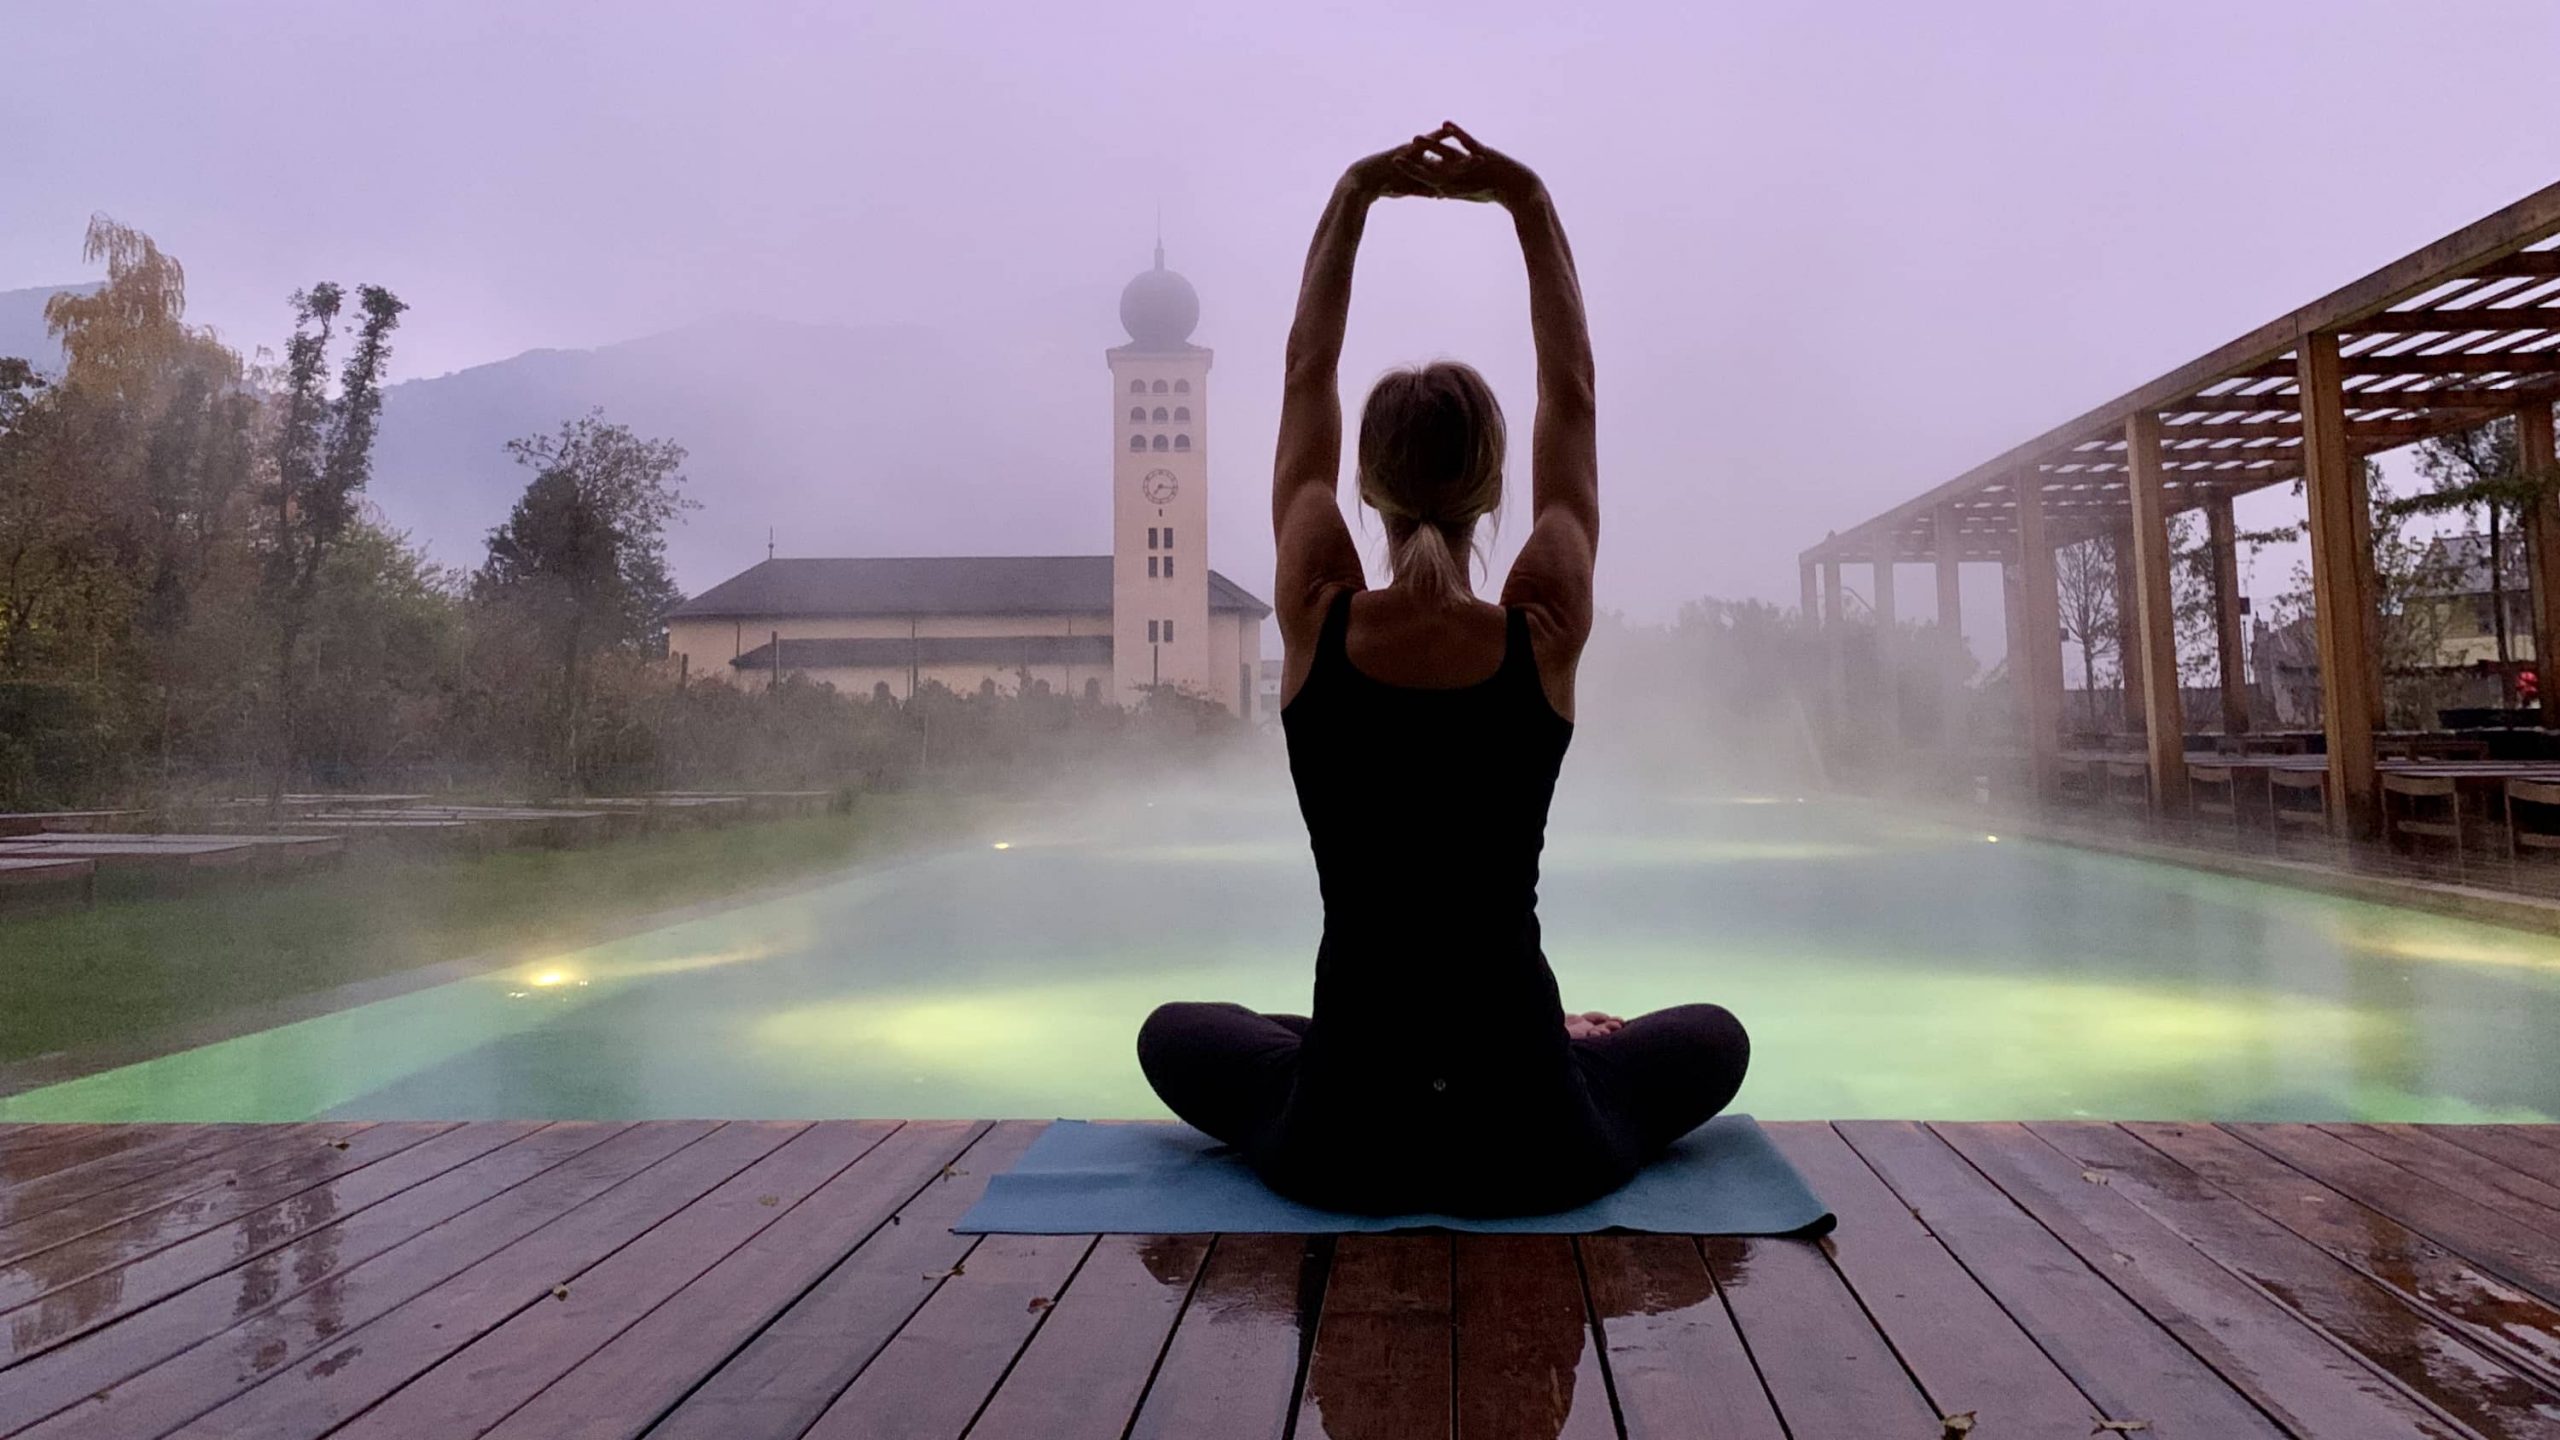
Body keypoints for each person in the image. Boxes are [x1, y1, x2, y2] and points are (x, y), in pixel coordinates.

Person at [1136, 124, 1750, 1216]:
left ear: (1366, 487)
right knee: (1715, 1038)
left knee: (1175, 1034)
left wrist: (1354, 194)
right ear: (1493, 485)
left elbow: (1305, 375)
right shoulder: (1542, 628)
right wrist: (1526, 201)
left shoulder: (1316, 616)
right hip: (1536, 1140)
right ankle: (1536, 1034)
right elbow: (1572, 394)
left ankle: (1342, 1042)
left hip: (1341, 1141)